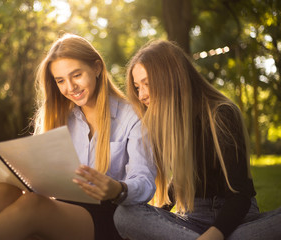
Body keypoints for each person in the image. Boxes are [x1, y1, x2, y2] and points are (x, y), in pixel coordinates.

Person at [0, 33, 156, 240]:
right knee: (5, 192)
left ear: (96, 68)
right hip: (60, 209)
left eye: (76, 75)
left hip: (109, 218)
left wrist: (117, 188)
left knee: (33, 205)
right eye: (60, 80)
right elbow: (32, 179)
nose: (70, 87)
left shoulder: (132, 116)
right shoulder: (58, 114)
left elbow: (145, 182)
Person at [114, 40, 281, 240]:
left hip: (236, 221)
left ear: (172, 76)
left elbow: (240, 196)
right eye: (137, 87)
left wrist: (213, 235)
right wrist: (159, 217)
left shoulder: (221, 114)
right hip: (190, 221)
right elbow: (181, 179)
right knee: (125, 214)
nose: (141, 95)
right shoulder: (166, 122)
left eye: (147, 84)